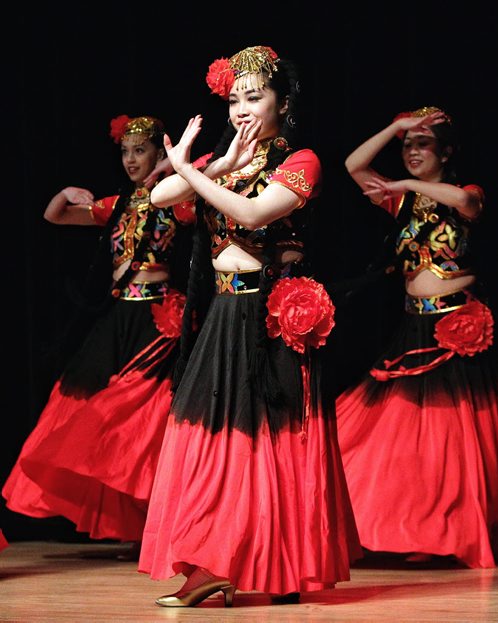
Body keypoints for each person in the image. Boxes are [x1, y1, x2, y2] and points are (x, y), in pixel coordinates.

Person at [137, 45, 362, 608]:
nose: (240, 107)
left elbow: (255, 214)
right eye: (234, 97)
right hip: (224, 311)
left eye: (254, 96)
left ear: (282, 103)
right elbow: (158, 197)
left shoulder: (301, 159)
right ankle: (213, 563)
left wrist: (195, 171)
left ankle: (277, 565)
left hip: (269, 315)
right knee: (216, 442)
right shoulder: (231, 159)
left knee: (272, 445)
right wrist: (212, 166)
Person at [2, 115, 195, 553]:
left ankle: (162, 517)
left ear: (157, 153)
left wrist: (177, 173)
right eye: (125, 152)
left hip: (157, 314)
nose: (130, 160)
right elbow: (56, 216)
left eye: (139, 151)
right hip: (119, 316)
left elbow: (201, 205)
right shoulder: (117, 204)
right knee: (81, 406)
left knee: (141, 414)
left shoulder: (173, 201)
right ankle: (128, 516)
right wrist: (65, 193)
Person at [336, 106, 498, 568]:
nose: (411, 152)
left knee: (453, 441)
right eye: (407, 146)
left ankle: (453, 531)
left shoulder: (465, 193)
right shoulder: (399, 199)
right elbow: (352, 166)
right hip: (413, 325)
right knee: (397, 438)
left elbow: (463, 203)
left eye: (421, 144)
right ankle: (404, 526)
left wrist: (406, 184)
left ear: (446, 152)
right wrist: (395, 128)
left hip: (457, 326)